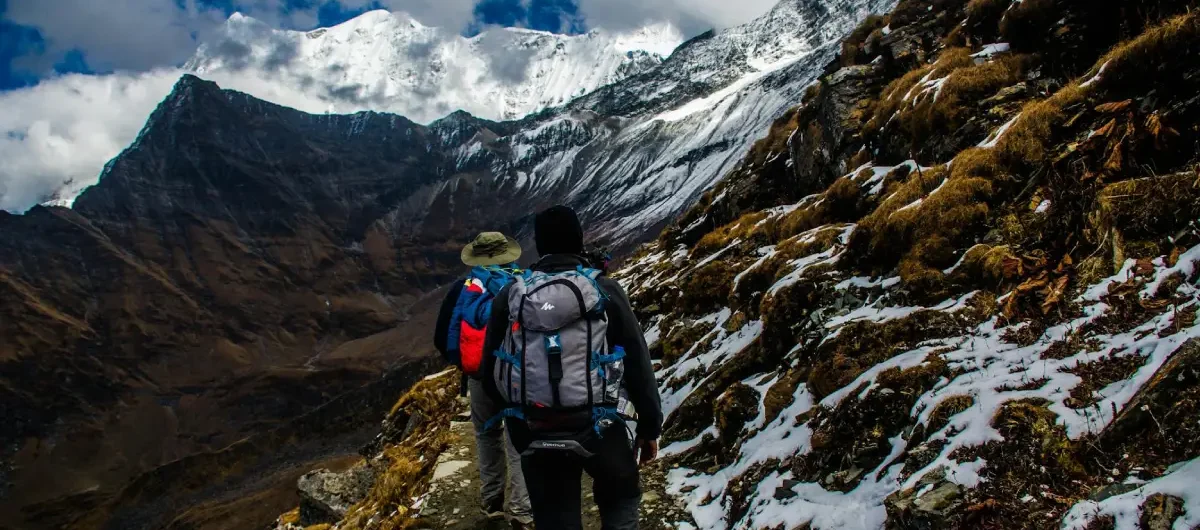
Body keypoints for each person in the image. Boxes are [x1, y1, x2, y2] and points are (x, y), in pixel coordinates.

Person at [481, 206, 663, 530]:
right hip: (600, 428)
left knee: (555, 519)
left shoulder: (511, 296)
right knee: (621, 499)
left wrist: (520, 419)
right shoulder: (605, 290)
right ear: (579, 240)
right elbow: (637, 362)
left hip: (536, 432)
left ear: (538, 245)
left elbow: (490, 373)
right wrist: (649, 428)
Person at [433, 231, 533, 528]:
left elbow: (442, 336)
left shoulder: (462, 289)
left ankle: (492, 502)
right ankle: (521, 509)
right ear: (509, 255)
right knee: (518, 438)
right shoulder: (524, 283)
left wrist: (465, 363)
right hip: (516, 373)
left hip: (479, 374)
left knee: (487, 434)